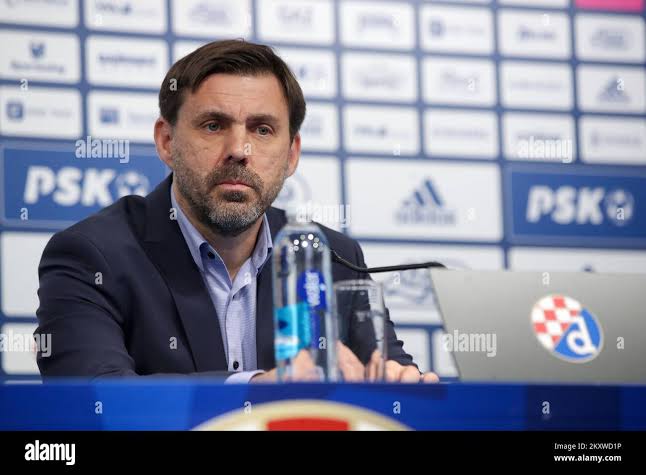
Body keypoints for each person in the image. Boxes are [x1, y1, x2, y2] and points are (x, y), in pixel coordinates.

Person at [35, 39, 439, 384]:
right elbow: (94, 397)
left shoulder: (333, 257)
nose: (239, 151)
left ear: (291, 154)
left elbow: (389, 377)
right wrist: (256, 390)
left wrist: (400, 384)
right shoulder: (92, 255)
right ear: (167, 141)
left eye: (262, 130)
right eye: (213, 125)